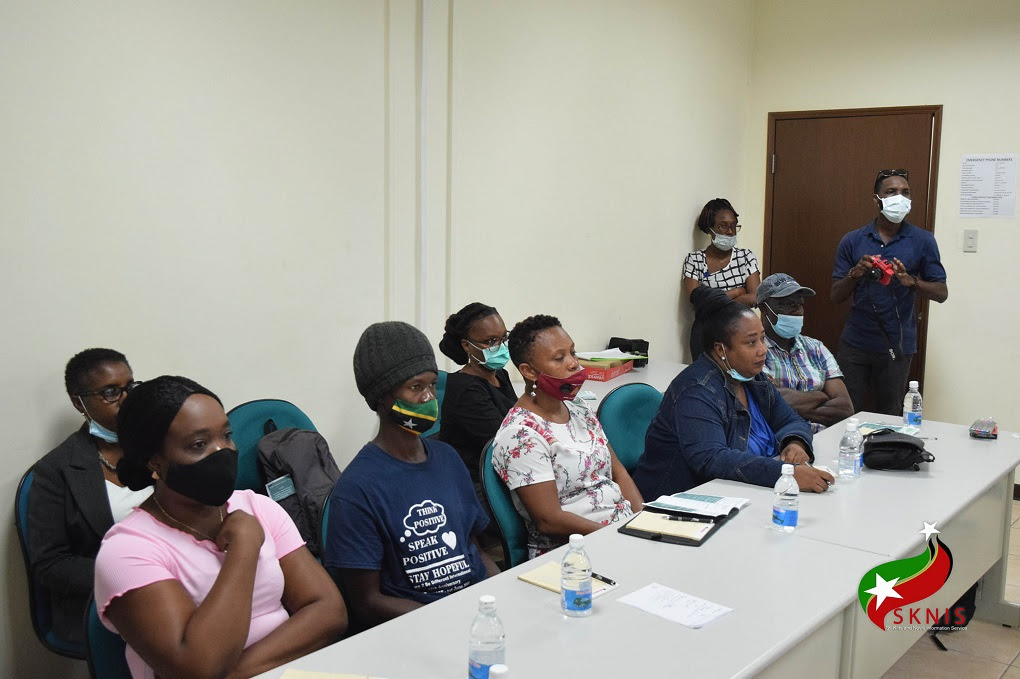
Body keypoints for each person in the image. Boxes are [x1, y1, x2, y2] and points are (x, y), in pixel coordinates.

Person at [94, 376, 346, 679]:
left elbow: (329, 611)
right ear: (155, 461)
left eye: (226, 436)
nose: (222, 451)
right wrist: (244, 548)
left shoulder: (257, 506)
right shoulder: (127, 550)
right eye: (199, 444)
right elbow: (197, 668)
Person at [325, 321, 499, 631]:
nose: (429, 397)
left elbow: (473, 548)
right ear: (382, 396)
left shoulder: (447, 458)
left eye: (432, 384)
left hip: (475, 615)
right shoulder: (356, 489)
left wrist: (498, 597)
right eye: (416, 387)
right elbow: (366, 602)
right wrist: (444, 620)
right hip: (419, 627)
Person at [633, 288, 834, 499]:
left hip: (744, 493)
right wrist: (785, 474)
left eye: (762, 339)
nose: (762, 350)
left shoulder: (753, 378)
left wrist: (795, 443)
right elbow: (713, 459)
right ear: (721, 350)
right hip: (682, 501)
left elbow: (791, 420)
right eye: (751, 342)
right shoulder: (697, 390)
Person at [492, 315, 643, 559]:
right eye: (559, 358)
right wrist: (616, 537)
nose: (574, 363)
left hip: (620, 533)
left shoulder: (578, 407)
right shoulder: (520, 434)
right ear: (529, 371)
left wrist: (641, 522)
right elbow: (549, 520)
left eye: (572, 352)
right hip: (572, 552)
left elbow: (618, 473)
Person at [27, 348, 151, 646]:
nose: (126, 399)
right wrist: (133, 575)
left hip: (176, 581)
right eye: (111, 392)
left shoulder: (156, 445)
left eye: (130, 387)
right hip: (104, 602)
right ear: (78, 403)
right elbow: (50, 564)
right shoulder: (55, 471)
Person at [831, 169, 948, 415]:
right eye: (891, 192)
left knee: (890, 415)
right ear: (877, 199)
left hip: (898, 345)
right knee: (845, 412)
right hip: (855, 344)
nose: (899, 198)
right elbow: (836, 295)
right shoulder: (853, 240)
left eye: (905, 192)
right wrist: (856, 273)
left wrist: (911, 282)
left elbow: (941, 292)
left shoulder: (923, 240)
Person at [757, 273, 854, 432]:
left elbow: (845, 409)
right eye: (787, 304)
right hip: (783, 441)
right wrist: (820, 395)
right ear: (764, 309)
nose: (797, 311)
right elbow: (767, 402)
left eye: (799, 304)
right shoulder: (756, 350)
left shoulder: (816, 348)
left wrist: (790, 405)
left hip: (825, 437)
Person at [437, 302, 518, 482]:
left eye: (503, 338)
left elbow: (517, 419)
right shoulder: (465, 389)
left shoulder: (500, 375)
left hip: (504, 470)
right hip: (477, 482)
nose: (501, 346)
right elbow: (503, 443)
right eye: (491, 342)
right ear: (467, 345)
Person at [682, 198, 761, 359]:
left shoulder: (746, 257)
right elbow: (696, 302)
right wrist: (737, 292)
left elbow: (755, 297)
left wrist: (713, 301)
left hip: (741, 331)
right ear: (710, 229)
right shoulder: (694, 260)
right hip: (706, 334)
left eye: (733, 226)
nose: (730, 232)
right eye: (723, 226)